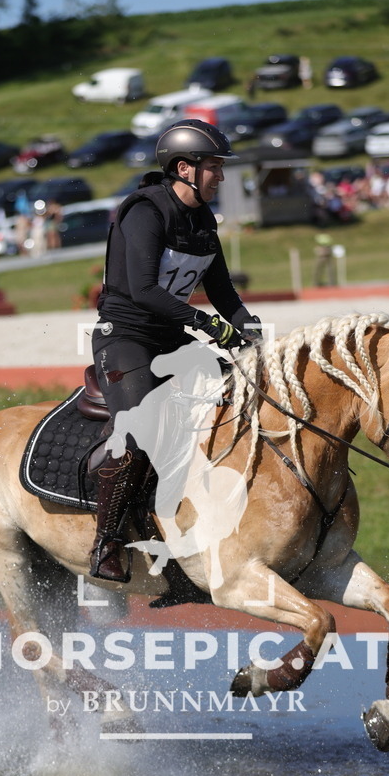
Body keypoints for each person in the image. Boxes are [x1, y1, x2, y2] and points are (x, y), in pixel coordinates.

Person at [89, 119, 262, 582]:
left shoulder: (202, 219)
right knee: (139, 426)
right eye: (213, 168)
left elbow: (223, 292)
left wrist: (252, 331)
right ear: (185, 168)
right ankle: (106, 542)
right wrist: (206, 324)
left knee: (239, 397)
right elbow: (144, 290)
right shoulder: (145, 212)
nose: (220, 177)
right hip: (125, 338)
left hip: (170, 339)